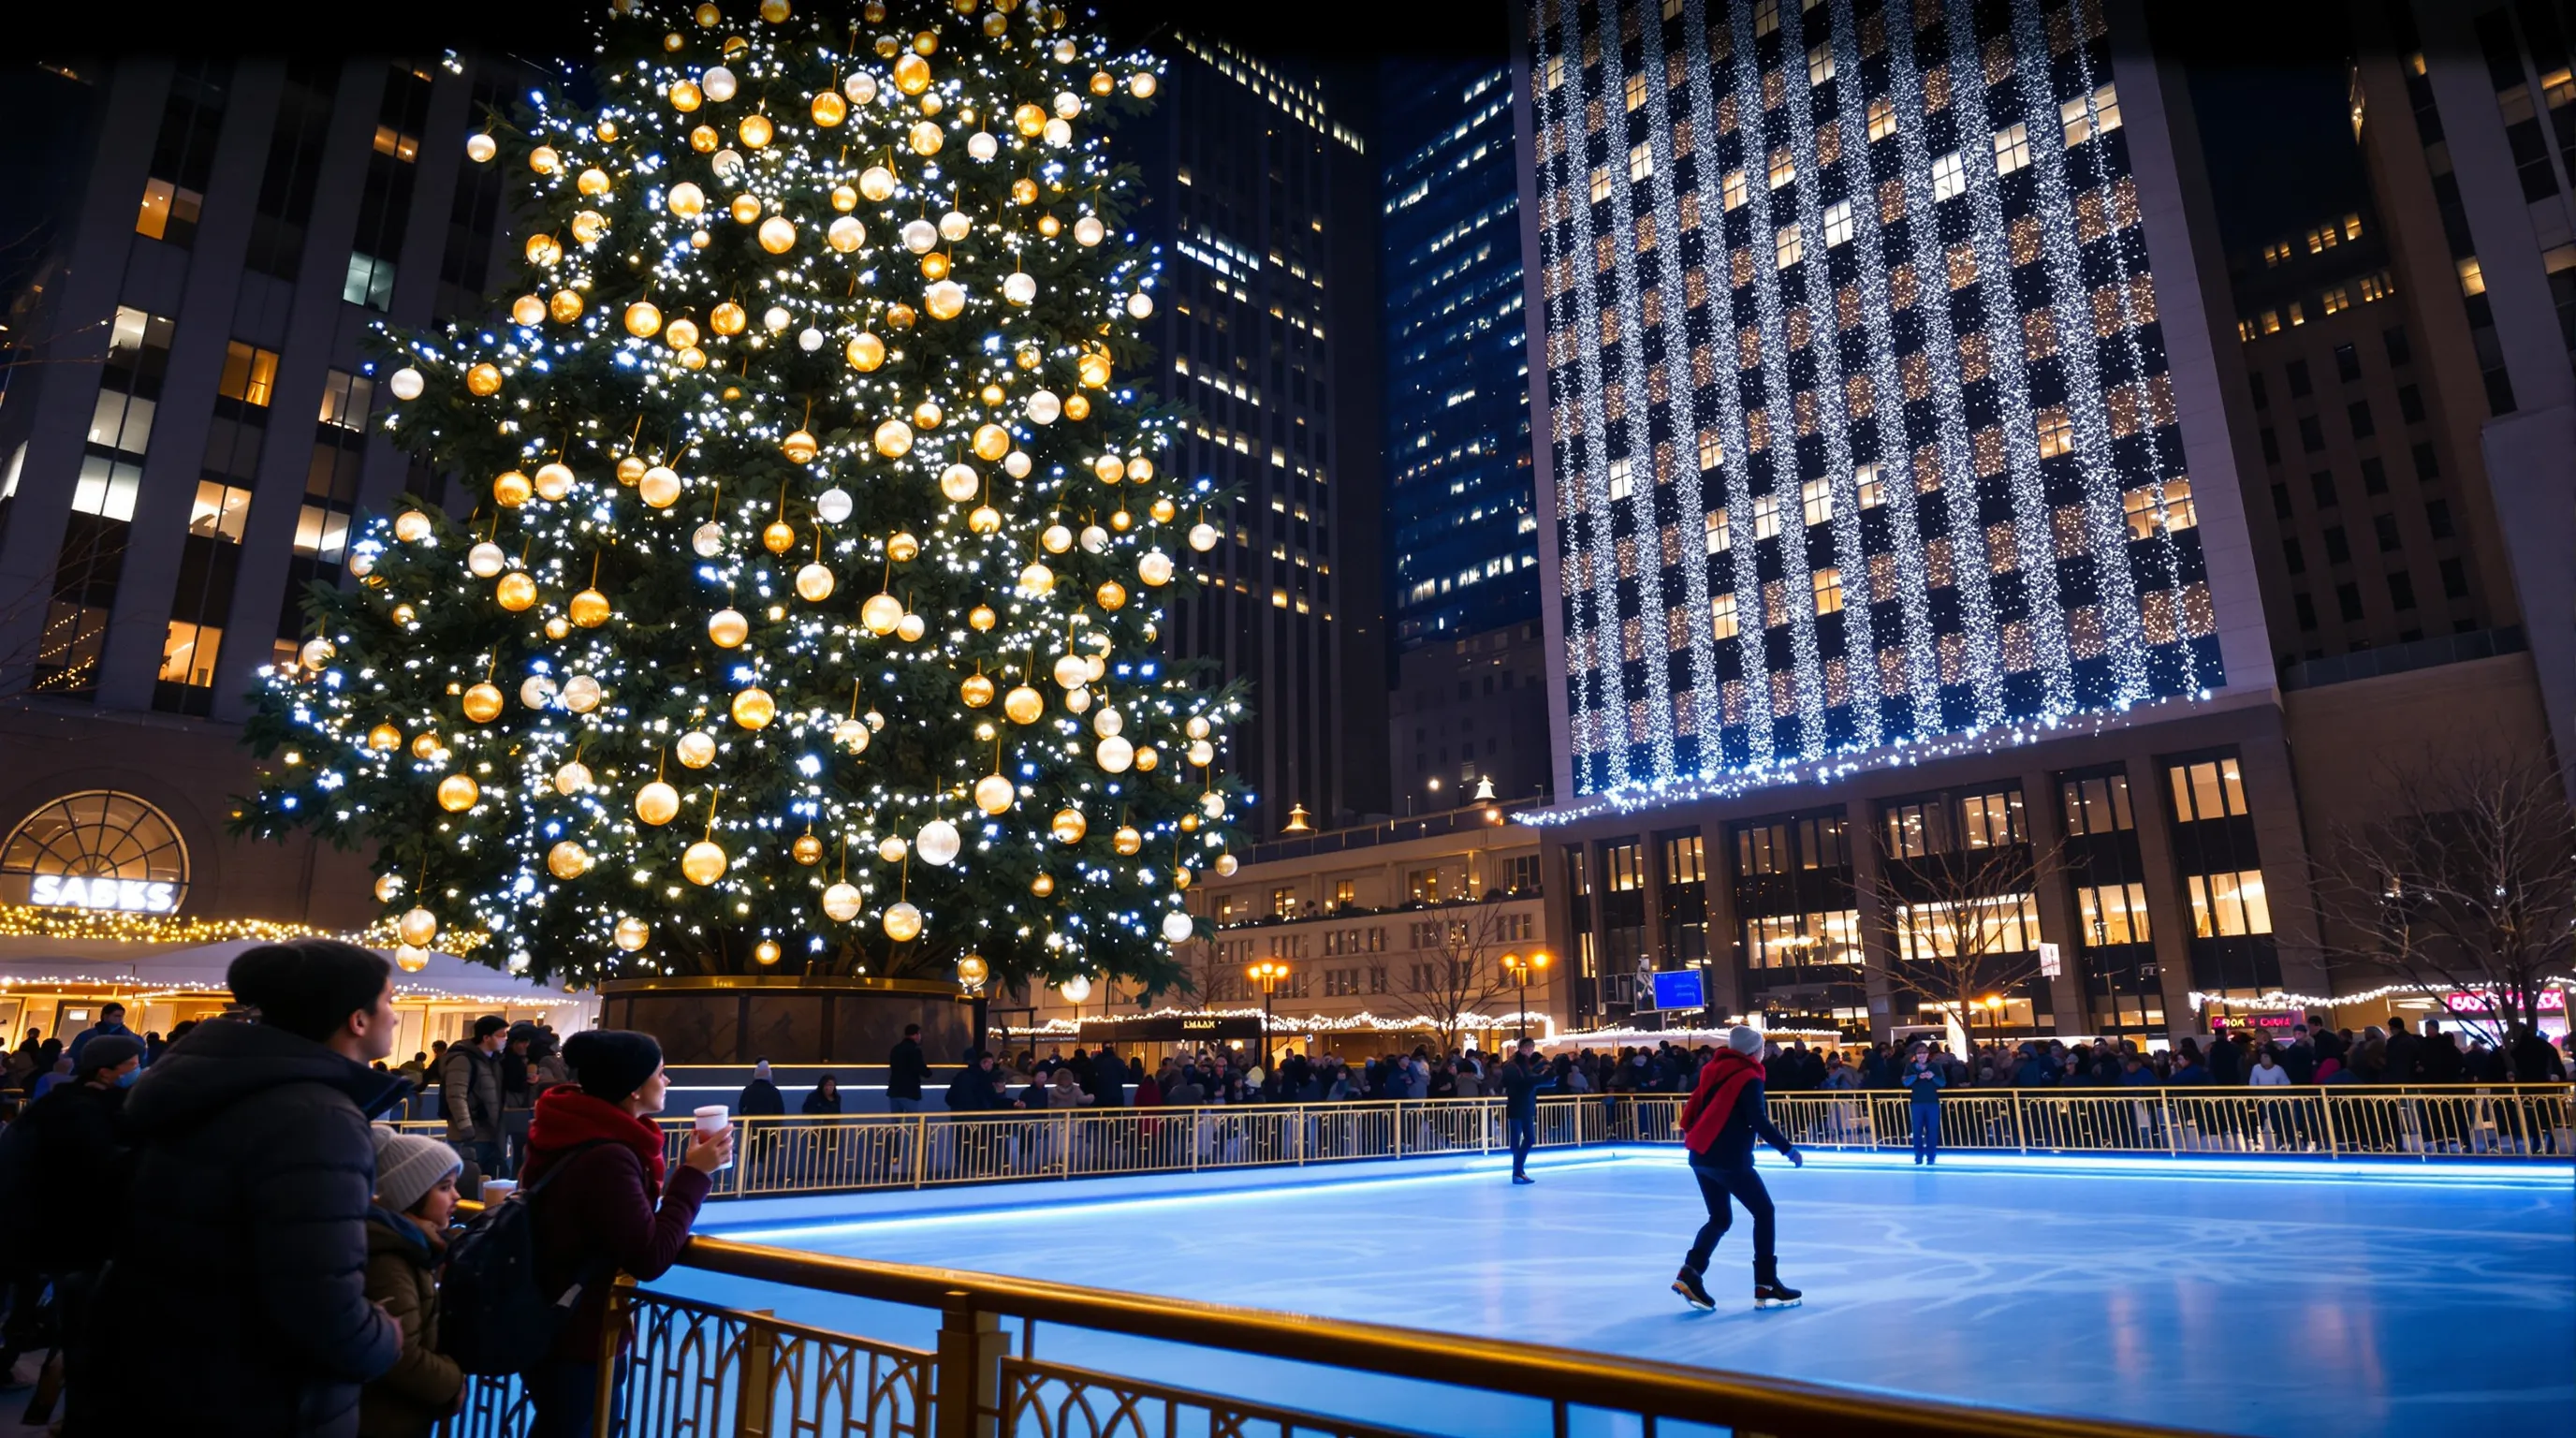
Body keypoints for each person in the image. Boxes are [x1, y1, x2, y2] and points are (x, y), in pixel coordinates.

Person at [86, 939, 406, 1436]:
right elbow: (318, 1300)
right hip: (258, 1394)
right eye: (389, 1000)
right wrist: (383, 1338)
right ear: (357, 1019)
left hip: (159, 1370)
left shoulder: (216, 1089)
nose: (396, 1015)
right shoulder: (318, 1119)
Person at [521, 1030, 729, 1438]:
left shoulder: (570, 1129)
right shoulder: (609, 1157)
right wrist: (695, 1176)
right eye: (661, 1073)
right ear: (635, 1088)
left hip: (549, 1320)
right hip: (578, 1333)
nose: (667, 1081)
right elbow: (648, 1255)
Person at [0, 1034, 140, 1396]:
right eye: (131, 1065)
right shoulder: (83, 1112)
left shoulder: (63, 1104)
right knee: (74, 1322)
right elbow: (94, 1171)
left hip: (43, 1229)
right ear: (106, 1071)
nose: (137, 1070)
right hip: (68, 1234)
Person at [1671, 1026, 1803, 1312]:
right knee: (1764, 1212)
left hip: (1701, 1155)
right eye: (1762, 1048)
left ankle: (1689, 1274)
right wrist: (1787, 1148)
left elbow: (1695, 1108)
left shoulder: (1712, 1070)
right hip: (1729, 1159)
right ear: (1755, 1051)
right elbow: (1758, 1119)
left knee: (1719, 1218)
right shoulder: (1749, 1077)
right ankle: (1766, 1284)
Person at [359, 1128, 465, 1438]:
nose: (457, 1196)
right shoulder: (391, 1259)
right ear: (411, 1196)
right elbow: (401, 1355)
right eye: (445, 1187)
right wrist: (454, 1380)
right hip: (386, 1418)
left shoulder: (411, 1247)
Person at [440, 1015, 507, 1187]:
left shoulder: (493, 1061)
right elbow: (456, 1095)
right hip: (469, 1136)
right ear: (486, 1037)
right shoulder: (463, 1059)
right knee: (466, 1185)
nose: (505, 1039)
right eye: (501, 1035)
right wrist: (466, 1127)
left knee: (489, 1183)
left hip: (489, 1133)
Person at [1498, 1035, 1547, 1183]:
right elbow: (1516, 1083)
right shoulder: (1513, 1065)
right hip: (1517, 1106)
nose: (1529, 1051)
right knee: (1518, 1140)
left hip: (1526, 1106)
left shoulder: (1527, 1064)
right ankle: (1517, 1171)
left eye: (1531, 1048)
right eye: (1527, 1048)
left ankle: (1518, 1170)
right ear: (1520, 1048)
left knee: (1528, 1138)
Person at [64, 1003, 139, 1076]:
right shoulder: (87, 1036)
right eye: (116, 1016)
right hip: (89, 1074)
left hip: (117, 1076)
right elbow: (75, 1055)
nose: (120, 1019)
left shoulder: (130, 1037)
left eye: (121, 1016)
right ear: (105, 1016)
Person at [1902, 1045, 1944, 1164]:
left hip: (1932, 1103)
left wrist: (1933, 1077)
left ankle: (1931, 1157)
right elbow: (1905, 1082)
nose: (1922, 1055)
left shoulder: (1935, 1066)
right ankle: (1918, 1156)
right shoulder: (1910, 1067)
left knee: (1932, 1130)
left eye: (1924, 1053)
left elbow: (1942, 1083)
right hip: (1917, 1103)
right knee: (1917, 1131)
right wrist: (1916, 1076)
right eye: (1919, 1053)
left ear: (1928, 1054)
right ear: (1915, 1055)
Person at [887, 1024, 930, 1113]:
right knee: (913, 1121)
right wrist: (929, 1073)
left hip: (894, 1091)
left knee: (896, 1123)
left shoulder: (896, 1049)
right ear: (915, 1035)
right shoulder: (914, 1050)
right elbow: (921, 1068)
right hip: (909, 1092)